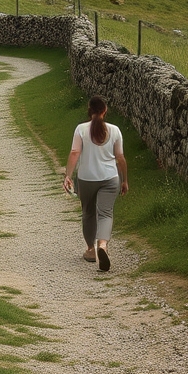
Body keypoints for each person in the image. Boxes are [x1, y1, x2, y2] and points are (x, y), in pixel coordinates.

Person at [62, 95, 128, 272]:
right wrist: (125, 180)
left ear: (89, 111)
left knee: (88, 212)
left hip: (87, 178)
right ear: (105, 111)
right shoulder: (115, 130)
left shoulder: (81, 129)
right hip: (110, 178)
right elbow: (120, 158)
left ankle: (91, 250)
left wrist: (68, 175)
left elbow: (75, 152)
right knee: (106, 213)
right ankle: (103, 245)